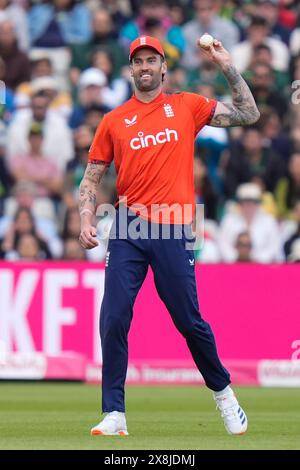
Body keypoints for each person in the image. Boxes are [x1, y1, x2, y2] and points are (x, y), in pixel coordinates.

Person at [78, 35, 260, 436]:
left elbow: (249, 114)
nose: (144, 67)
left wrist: (226, 65)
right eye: (138, 61)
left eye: (151, 60)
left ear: (163, 68)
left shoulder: (187, 106)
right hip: (127, 226)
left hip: (173, 225)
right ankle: (114, 413)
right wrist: (86, 217)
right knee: (113, 316)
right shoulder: (113, 120)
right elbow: (91, 178)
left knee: (187, 319)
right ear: (131, 69)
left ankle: (224, 394)